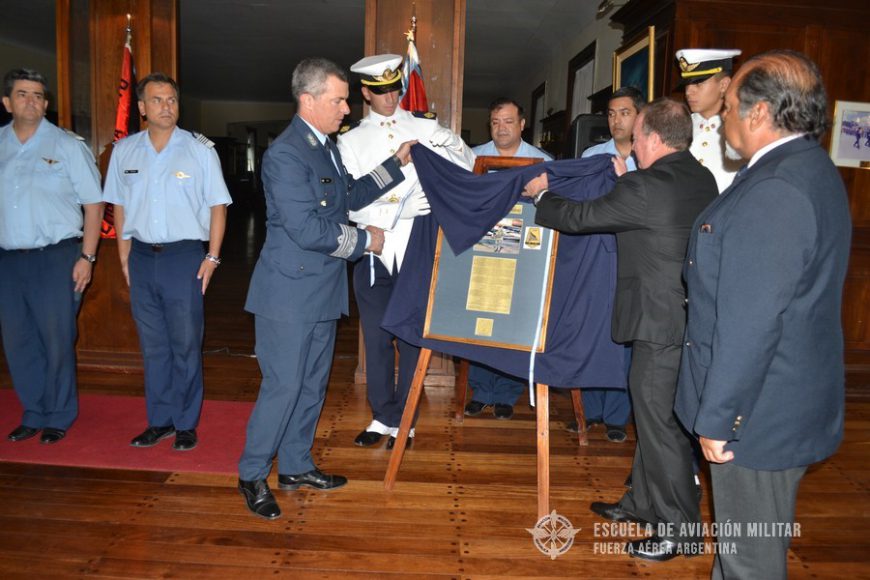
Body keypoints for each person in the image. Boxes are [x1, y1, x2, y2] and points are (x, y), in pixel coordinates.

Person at [675, 50, 851, 579]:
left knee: (749, 560)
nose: (721, 117)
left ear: (757, 114)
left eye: (727, 106)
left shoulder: (775, 188)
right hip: (782, 399)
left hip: (757, 414)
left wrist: (719, 419)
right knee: (739, 553)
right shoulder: (810, 168)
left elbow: (751, 323)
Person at [522, 98, 717, 561]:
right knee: (654, 420)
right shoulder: (699, 176)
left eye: (637, 136)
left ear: (650, 138)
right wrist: (628, 177)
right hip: (684, 317)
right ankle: (642, 504)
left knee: (661, 427)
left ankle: (680, 532)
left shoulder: (646, 185)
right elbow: (651, 210)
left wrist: (541, 196)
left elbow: (579, 219)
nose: (632, 143)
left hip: (657, 321)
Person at [238, 57, 414, 520]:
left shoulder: (325, 147)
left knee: (312, 385)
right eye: (337, 100)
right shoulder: (285, 154)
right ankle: (253, 474)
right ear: (308, 100)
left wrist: (394, 166)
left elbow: (347, 195)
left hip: (321, 291)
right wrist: (366, 240)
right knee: (283, 386)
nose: (346, 109)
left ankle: (295, 465)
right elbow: (306, 228)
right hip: (288, 295)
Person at [337, 54, 474, 450]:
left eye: (395, 89)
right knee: (377, 338)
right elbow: (350, 204)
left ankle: (407, 422)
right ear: (366, 92)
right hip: (376, 248)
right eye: (381, 92)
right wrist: (397, 210)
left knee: (413, 337)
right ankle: (383, 418)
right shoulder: (350, 140)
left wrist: (455, 142)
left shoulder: (424, 126)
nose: (391, 97)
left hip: (419, 245)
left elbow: (465, 172)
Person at [103, 73, 231, 452]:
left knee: (186, 343)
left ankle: (186, 422)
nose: (166, 107)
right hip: (142, 256)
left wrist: (212, 256)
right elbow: (119, 207)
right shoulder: (125, 151)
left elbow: (218, 207)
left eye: (172, 100)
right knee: (153, 345)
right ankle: (159, 421)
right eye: (157, 100)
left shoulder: (199, 150)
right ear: (141, 108)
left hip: (184, 257)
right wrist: (125, 256)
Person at [0, 68, 103, 444]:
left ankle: (59, 413)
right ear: (7, 102)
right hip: (8, 261)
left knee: (57, 338)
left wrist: (87, 258)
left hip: (56, 258)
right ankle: (34, 410)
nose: (32, 101)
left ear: (46, 104)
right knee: (18, 339)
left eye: (39, 95)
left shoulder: (67, 146)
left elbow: (94, 204)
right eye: (23, 94)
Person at [464, 97, 552, 420]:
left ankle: (505, 394)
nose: (501, 128)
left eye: (508, 122)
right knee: (480, 324)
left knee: (514, 325)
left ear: (523, 124)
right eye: (496, 122)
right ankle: (480, 391)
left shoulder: (541, 161)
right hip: (483, 253)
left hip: (524, 257)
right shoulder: (474, 158)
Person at [571, 86, 645, 443]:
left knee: (624, 334)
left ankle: (618, 415)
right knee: (591, 330)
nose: (617, 120)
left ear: (640, 116)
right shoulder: (592, 155)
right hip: (595, 254)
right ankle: (590, 411)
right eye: (612, 114)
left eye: (625, 113)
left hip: (635, 256)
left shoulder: (651, 155)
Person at [675, 48, 743, 193]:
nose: (688, 92)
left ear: (724, 85)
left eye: (698, 84)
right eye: (687, 84)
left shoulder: (742, 130)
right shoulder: (678, 125)